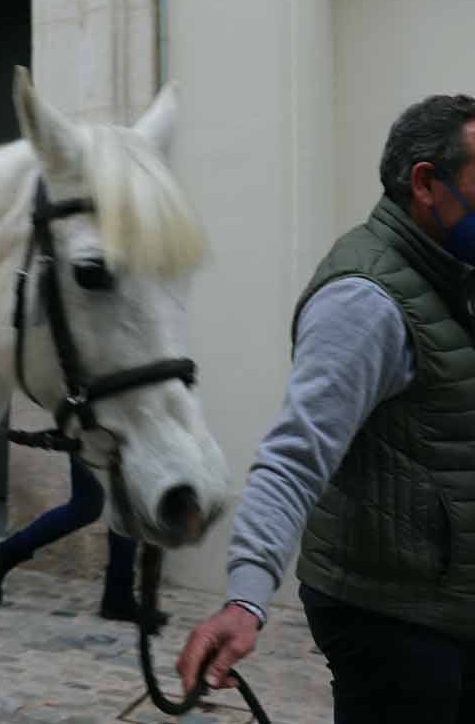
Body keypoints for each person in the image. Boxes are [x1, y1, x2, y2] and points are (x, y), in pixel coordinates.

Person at [178, 94, 475, 722]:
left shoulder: (453, 270)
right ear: (428, 183)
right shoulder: (364, 302)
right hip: (393, 613)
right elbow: (295, 454)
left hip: (447, 598)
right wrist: (247, 597)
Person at [0, 454, 164, 627]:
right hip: (99, 425)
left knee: (98, 504)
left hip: (102, 425)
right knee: (100, 504)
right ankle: (118, 596)